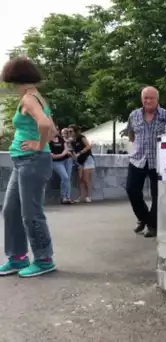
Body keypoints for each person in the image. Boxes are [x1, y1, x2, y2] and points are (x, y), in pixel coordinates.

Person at [0, 56, 57, 277]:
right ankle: (17, 258)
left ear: (14, 77)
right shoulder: (37, 97)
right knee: (11, 210)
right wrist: (40, 143)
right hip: (24, 161)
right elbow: (52, 128)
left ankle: (44, 259)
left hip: (32, 160)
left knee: (31, 213)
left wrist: (37, 145)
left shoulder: (28, 99)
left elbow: (44, 125)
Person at [125, 86, 166, 238]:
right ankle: (143, 218)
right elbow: (131, 134)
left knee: (157, 195)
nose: (148, 101)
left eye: (151, 98)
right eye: (145, 98)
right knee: (132, 190)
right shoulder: (134, 115)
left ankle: (153, 226)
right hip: (137, 159)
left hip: (159, 161)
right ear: (141, 99)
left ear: (157, 99)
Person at [69, 124, 95, 203]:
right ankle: (80, 196)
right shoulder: (72, 141)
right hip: (79, 161)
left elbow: (88, 146)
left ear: (75, 131)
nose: (70, 133)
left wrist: (80, 153)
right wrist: (73, 155)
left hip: (87, 158)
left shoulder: (81, 137)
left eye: (71, 131)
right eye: (68, 131)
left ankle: (89, 196)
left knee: (86, 178)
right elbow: (73, 151)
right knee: (80, 179)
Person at [49, 130, 73, 204]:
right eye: (54, 128)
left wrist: (62, 154)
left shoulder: (60, 138)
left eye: (57, 129)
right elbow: (50, 154)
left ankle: (67, 197)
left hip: (67, 159)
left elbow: (66, 148)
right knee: (65, 177)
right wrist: (59, 155)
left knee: (67, 178)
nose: (56, 130)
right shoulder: (48, 140)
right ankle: (63, 196)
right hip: (56, 162)